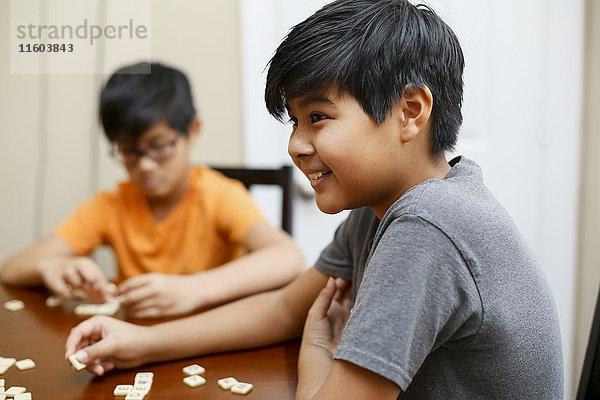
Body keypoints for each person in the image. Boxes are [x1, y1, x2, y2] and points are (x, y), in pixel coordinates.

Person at [62, 1, 564, 398]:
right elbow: (284, 308)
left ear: (410, 112)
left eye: (318, 117)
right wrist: (143, 342)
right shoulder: (382, 211)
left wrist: (319, 350)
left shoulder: (428, 225)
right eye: (295, 122)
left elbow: (305, 337)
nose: (296, 145)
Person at [0, 62, 305, 319]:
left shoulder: (219, 196)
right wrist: (52, 266)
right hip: (137, 337)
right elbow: (11, 268)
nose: (145, 166)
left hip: (211, 336)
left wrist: (193, 288)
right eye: (129, 152)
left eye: (159, 147)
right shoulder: (111, 206)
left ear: (193, 130)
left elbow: (287, 257)